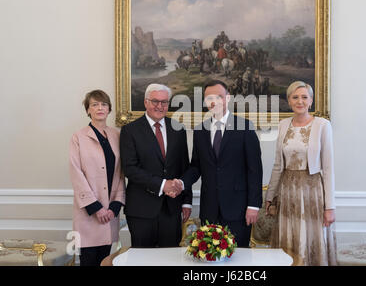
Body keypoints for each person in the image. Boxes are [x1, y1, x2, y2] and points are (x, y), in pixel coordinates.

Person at [180, 80, 263, 248]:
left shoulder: (245, 127)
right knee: (209, 256)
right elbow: (196, 166)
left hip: (238, 209)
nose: (214, 101)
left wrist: (253, 205)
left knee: (239, 258)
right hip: (209, 208)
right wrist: (181, 183)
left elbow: (255, 170)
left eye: (219, 96)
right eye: (209, 98)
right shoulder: (200, 130)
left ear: (228, 98)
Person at [265, 81, 337, 266]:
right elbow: (277, 164)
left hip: (312, 191)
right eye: (295, 97)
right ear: (289, 101)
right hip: (287, 192)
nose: (300, 101)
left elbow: (328, 169)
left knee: (310, 239)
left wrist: (330, 207)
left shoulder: (322, 125)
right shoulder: (282, 125)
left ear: (311, 101)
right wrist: (270, 196)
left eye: (304, 97)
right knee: (289, 238)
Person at [120, 84, 192, 248]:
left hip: (172, 209)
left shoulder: (178, 129)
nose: (160, 106)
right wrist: (162, 184)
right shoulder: (130, 131)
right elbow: (130, 168)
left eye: (164, 102)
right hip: (141, 210)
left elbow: (184, 168)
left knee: (169, 260)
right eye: (155, 101)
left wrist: (186, 202)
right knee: (143, 261)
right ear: (146, 102)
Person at [69, 90, 126, 266]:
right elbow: (76, 173)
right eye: (94, 104)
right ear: (88, 110)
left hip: (110, 214)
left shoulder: (117, 135)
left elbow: (120, 173)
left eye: (103, 104)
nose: (99, 108)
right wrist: (96, 208)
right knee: (88, 262)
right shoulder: (78, 137)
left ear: (109, 109)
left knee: (106, 262)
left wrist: (115, 206)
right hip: (89, 214)